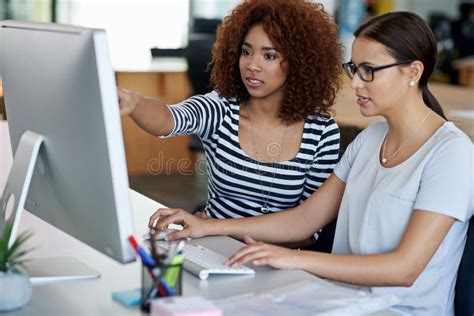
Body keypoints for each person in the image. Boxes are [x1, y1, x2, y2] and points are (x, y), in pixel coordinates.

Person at [149, 11, 473, 315]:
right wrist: (209, 226)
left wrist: (292, 259)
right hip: (340, 300)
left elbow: (405, 269)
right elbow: (304, 220)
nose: (356, 83)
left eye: (369, 71)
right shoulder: (371, 139)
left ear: (413, 72)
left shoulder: (451, 154)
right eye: (353, 69)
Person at [119, 0, 342, 250]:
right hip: (216, 249)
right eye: (246, 52)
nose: (252, 65)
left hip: (280, 260)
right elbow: (168, 119)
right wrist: (134, 102)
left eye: (269, 55)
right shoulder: (221, 108)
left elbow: (308, 231)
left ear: (298, 63)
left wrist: (215, 226)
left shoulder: (321, 132)